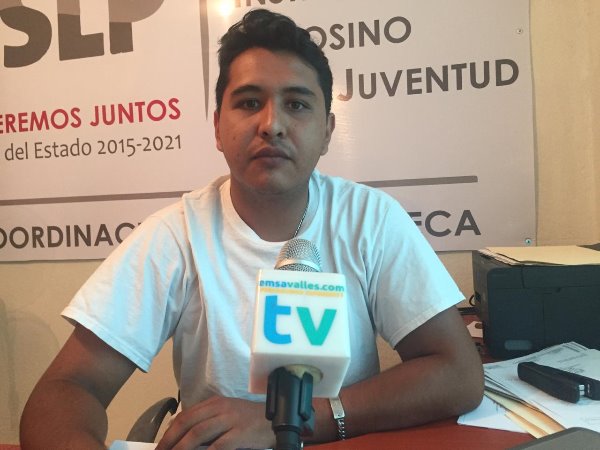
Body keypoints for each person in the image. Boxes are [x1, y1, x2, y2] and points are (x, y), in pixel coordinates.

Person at [20, 8, 483, 450]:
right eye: (248, 102)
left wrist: (295, 421)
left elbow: (457, 373)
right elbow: (65, 390)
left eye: (296, 104)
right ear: (217, 128)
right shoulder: (175, 235)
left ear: (327, 131)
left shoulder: (369, 219)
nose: (272, 124)